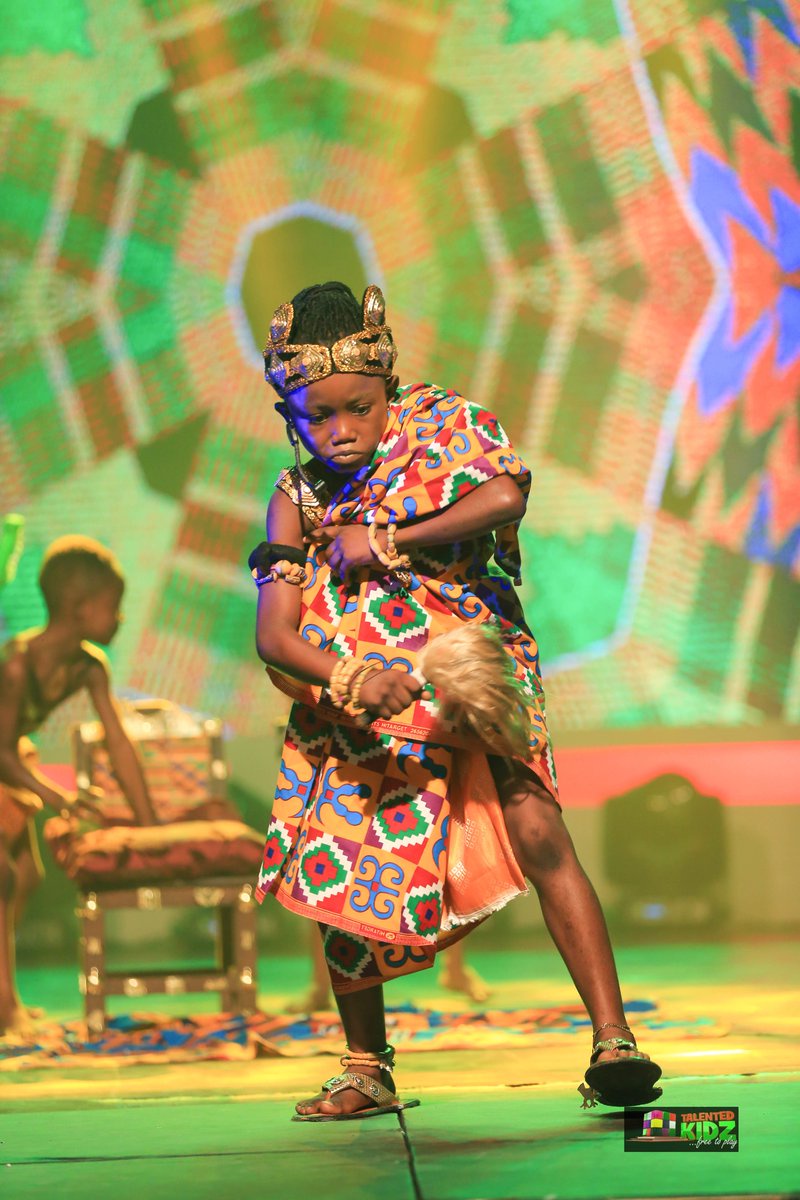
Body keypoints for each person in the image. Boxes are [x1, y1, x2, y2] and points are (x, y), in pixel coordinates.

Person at [252, 281, 662, 1120]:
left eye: (359, 408)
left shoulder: (444, 424)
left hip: (472, 665)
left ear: (388, 385)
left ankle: (614, 1041)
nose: (340, 430)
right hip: (363, 690)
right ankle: (366, 1065)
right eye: (317, 416)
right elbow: (275, 636)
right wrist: (352, 679)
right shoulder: (297, 498)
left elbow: (503, 496)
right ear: (289, 413)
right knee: (340, 861)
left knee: (538, 829)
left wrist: (387, 538)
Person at [0, 536, 157, 1037]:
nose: (121, 618)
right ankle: (5, 1007)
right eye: (114, 606)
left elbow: (118, 743)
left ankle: (3, 994)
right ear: (80, 608)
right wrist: (56, 797)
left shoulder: (90, 667)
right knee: (4, 874)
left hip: (9, 762)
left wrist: (149, 823)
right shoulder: (18, 662)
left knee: (26, 875)